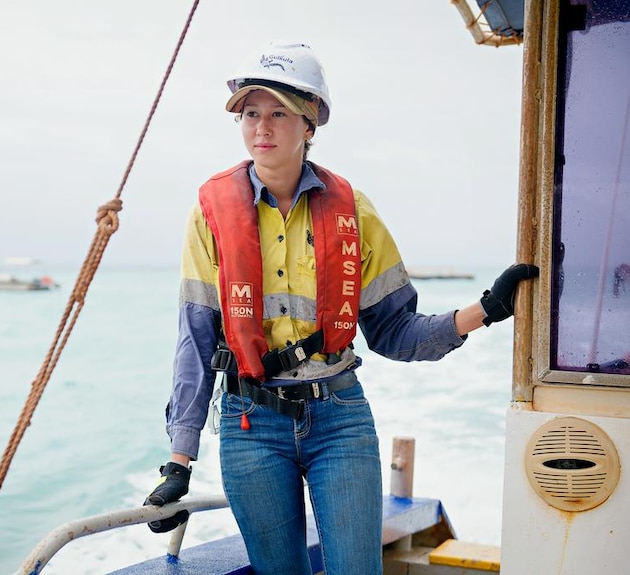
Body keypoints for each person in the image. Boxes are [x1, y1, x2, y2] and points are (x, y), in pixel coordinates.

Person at [142, 41, 539, 574]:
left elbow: (395, 331)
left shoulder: (354, 211)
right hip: (249, 424)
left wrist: (486, 309)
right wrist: (179, 460)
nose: (262, 127)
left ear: (310, 123)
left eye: (279, 112)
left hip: (340, 418)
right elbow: (194, 340)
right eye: (251, 113)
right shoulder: (210, 214)